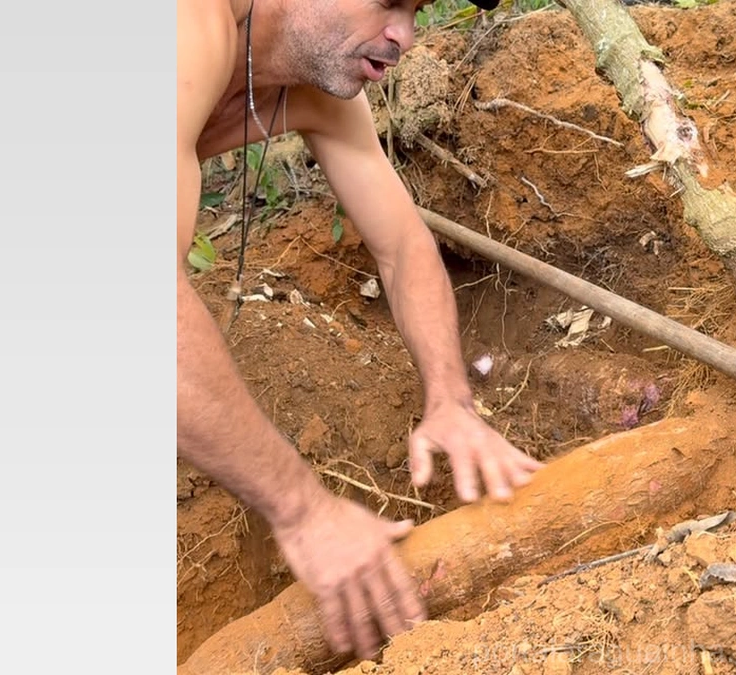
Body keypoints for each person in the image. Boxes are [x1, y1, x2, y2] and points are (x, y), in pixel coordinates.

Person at [176, 0, 542, 660]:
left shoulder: (310, 92)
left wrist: (451, 401)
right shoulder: (183, 29)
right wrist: (303, 510)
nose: (404, 35)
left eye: (418, 11)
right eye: (390, 3)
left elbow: (401, 245)